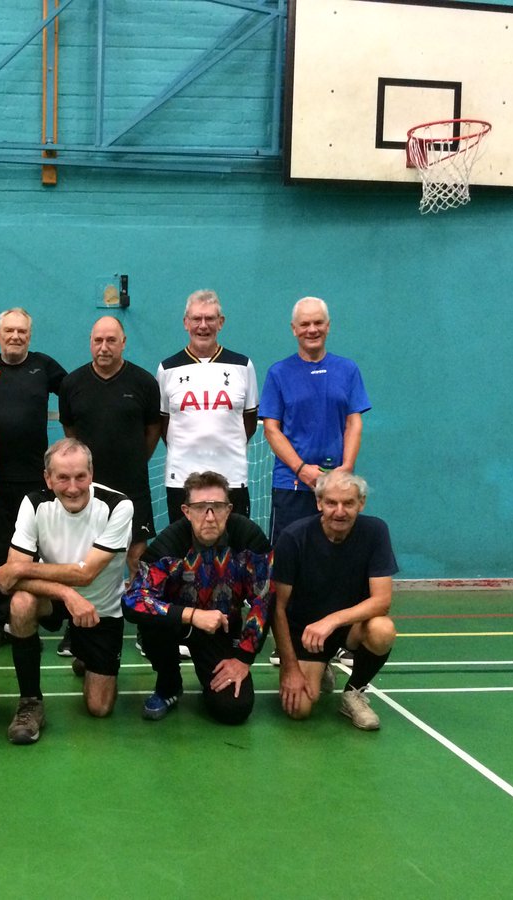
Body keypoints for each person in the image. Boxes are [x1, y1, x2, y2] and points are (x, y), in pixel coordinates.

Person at [0, 438, 134, 744]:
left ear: (91, 473)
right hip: (57, 601)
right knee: (21, 603)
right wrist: (67, 594)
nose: (72, 487)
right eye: (62, 478)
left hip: (100, 609)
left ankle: (86, 654)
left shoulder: (118, 506)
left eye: (80, 476)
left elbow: (85, 574)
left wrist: (19, 569)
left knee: (100, 708)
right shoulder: (34, 503)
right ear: (48, 478)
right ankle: (30, 702)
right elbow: (9, 581)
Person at [123, 471, 271, 725]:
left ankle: (211, 680)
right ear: (186, 511)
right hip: (177, 627)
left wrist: (243, 658)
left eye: (218, 507)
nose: (210, 517)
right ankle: (169, 685)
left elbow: (264, 599)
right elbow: (134, 600)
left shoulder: (249, 538)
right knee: (152, 623)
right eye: (201, 507)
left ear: (229, 509)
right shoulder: (168, 545)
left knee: (234, 709)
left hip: (221, 630)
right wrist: (191, 615)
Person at [0, 308, 66, 651]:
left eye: (21, 331)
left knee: (37, 551)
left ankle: (30, 618)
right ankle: (0, 622)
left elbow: (75, 392)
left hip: (37, 481)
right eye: (9, 331)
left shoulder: (45, 367)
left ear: (30, 334)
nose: (15, 336)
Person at [271, 470, 397, 730]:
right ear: (319, 503)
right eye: (331, 503)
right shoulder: (294, 538)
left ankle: (354, 693)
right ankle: (319, 667)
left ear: (361, 504)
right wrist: (290, 667)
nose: (340, 511)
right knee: (299, 710)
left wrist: (332, 620)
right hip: (306, 635)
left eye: (349, 503)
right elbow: (277, 608)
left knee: (382, 629)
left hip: (346, 630)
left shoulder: (375, 531)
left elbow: (382, 601)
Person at [259, 296, 370, 543]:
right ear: (294, 329)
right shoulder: (278, 373)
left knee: (337, 558)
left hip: (338, 486)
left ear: (328, 326)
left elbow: (354, 423)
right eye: (305, 324)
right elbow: (271, 430)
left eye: (318, 323)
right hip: (292, 484)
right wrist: (302, 470)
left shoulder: (348, 370)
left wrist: (347, 469)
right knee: (287, 560)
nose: (312, 330)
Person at [58, 316, 160, 577]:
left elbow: (153, 431)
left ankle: (141, 615)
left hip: (133, 486)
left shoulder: (145, 382)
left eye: (111, 340)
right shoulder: (71, 384)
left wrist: (135, 460)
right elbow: (70, 433)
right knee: (85, 554)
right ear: (90, 343)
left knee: (137, 556)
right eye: (98, 340)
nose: (104, 347)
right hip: (87, 489)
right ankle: (84, 615)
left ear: (123, 343)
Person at [157, 290, 259, 523]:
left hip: (232, 476)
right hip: (181, 478)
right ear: (186, 323)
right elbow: (164, 424)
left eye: (210, 319)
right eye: (196, 319)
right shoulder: (167, 369)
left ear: (220, 323)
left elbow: (249, 423)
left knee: (233, 549)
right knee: (185, 551)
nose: (203, 326)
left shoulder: (243, 366)